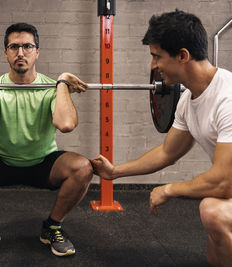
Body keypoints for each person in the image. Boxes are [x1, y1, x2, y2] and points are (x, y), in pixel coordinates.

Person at [91, 10, 232, 266]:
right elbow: (168, 152)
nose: (153, 66)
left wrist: (170, 189)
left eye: (157, 56)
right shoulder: (189, 99)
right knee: (216, 255)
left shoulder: (228, 98)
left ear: (183, 56)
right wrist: (115, 172)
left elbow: (223, 183)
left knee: (214, 212)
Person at [0, 22, 93, 257]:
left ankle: (53, 227)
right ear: (6, 53)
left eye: (27, 46)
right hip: (0, 162)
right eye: (14, 47)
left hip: (43, 163)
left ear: (37, 52)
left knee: (83, 168)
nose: (21, 53)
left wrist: (63, 81)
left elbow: (66, 124)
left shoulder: (51, 88)